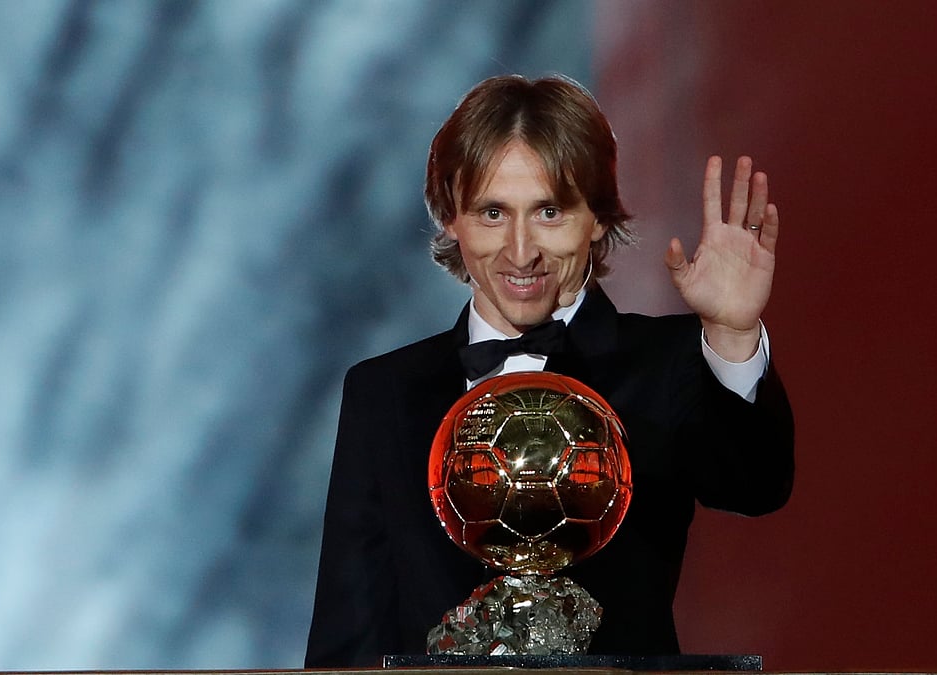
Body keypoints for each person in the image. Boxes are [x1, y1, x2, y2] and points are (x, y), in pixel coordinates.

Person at [304, 74, 794, 667]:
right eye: (492, 213)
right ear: (451, 218)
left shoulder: (667, 362)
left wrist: (733, 334)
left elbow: (753, 485)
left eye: (549, 212)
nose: (521, 252)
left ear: (599, 217)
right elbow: (349, 634)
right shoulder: (383, 392)